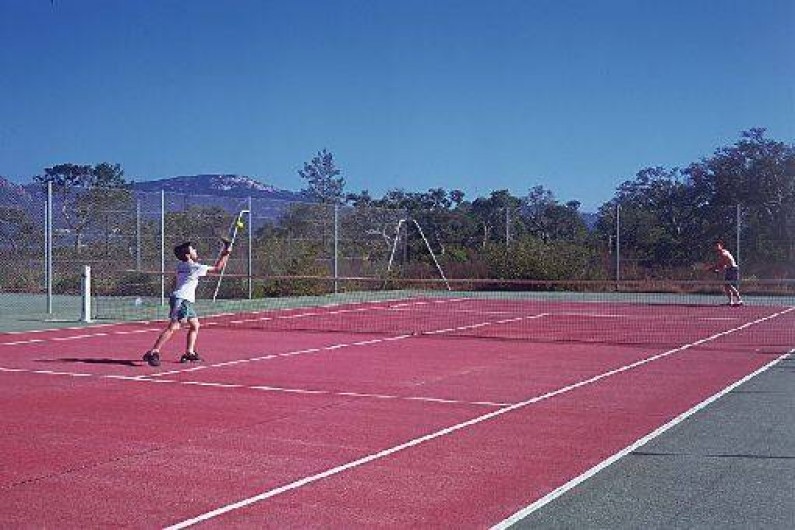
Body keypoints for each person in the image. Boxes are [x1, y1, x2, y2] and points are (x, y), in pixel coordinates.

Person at [142, 239, 232, 367]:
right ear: (188, 255)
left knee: (195, 325)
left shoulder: (181, 266)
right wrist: (226, 252)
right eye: (193, 249)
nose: (195, 250)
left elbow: (174, 281)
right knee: (174, 326)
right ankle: (154, 352)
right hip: (182, 300)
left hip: (183, 300)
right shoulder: (195, 267)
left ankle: (189, 352)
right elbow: (218, 268)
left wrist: (175, 293)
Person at [707, 239, 743, 306]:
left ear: (721, 246)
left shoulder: (723, 253)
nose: (716, 247)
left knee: (729, 285)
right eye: (715, 246)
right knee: (726, 286)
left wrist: (713, 268)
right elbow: (723, 265)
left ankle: (739, 300)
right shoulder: (720, 254)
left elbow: (721, 264)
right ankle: (731, 302)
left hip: (733, 269)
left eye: (717, 245)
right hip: (729, 269)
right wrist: (716, 270)